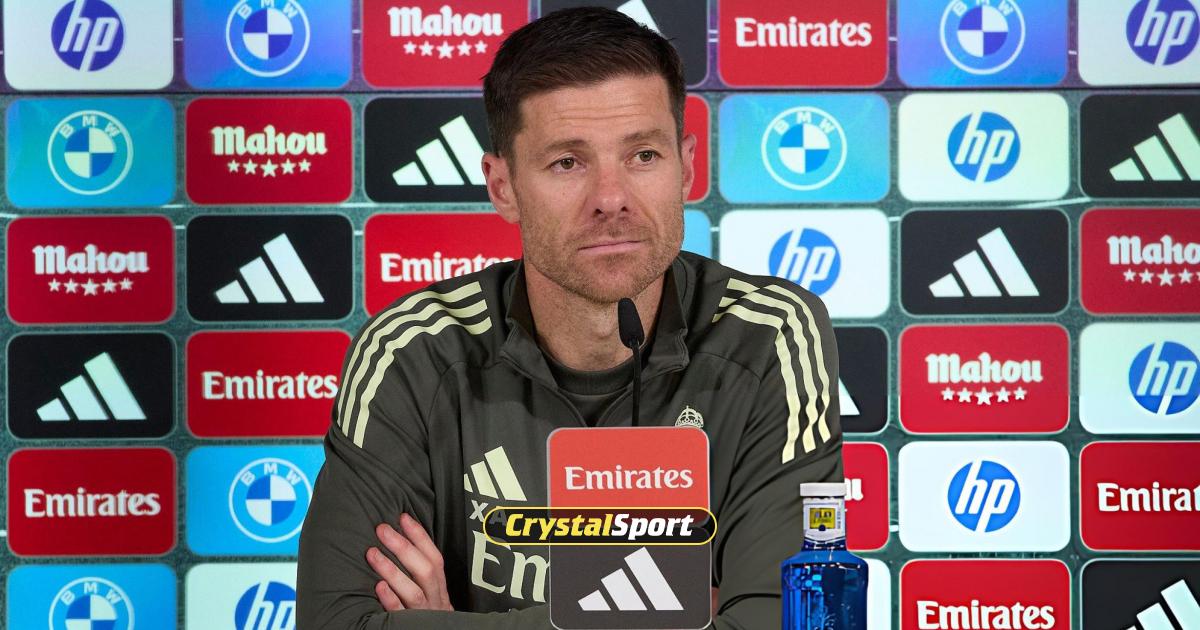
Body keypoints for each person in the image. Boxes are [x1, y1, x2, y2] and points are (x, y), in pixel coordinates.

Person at [296, 7, 842, 629]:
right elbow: (336, 623)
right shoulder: (413, 349)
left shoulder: (769, 334)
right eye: (567, 162)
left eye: (643, 155)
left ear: (687, 167)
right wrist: (673, 617)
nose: (611, 198)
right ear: (502, 186)